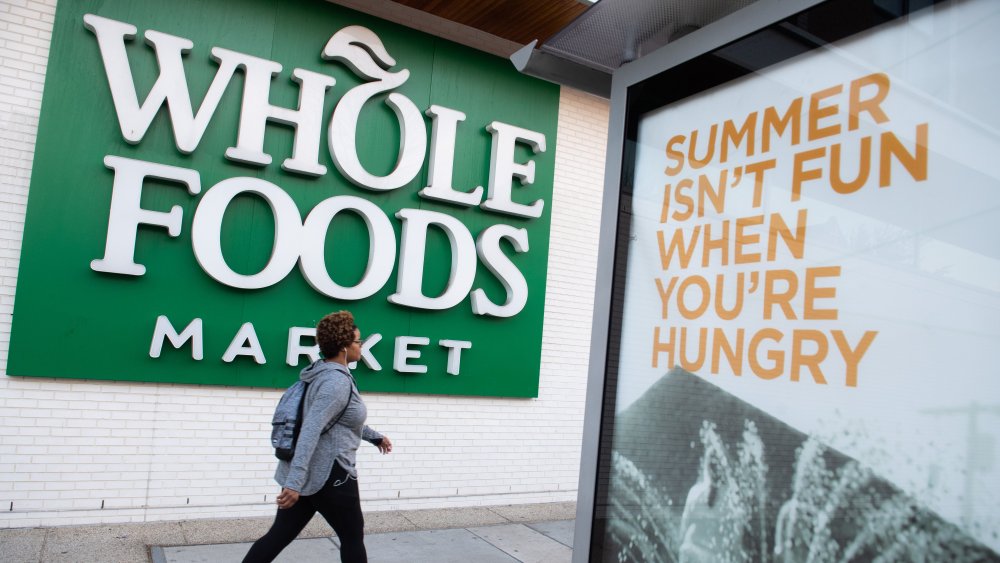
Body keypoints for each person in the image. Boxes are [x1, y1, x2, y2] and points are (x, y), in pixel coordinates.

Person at [244, 311, 392, 563]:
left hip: (306, 475)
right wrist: (294, 483)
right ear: (344, 347)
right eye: (359, 342)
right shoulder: (336, 382)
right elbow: (311, 429)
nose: (361, 346)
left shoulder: (318, 374)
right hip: (330, 475)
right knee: (352, 538)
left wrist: (374, 437)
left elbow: (338, 421)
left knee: (279, 535)